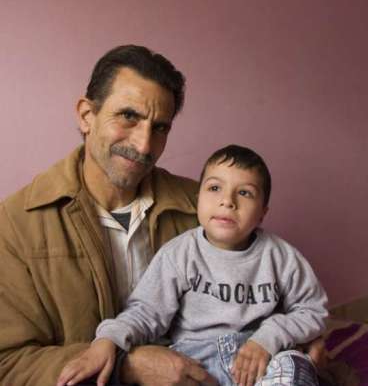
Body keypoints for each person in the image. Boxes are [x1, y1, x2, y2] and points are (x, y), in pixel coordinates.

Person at [0, 45, 327, 386]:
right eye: (129, 116)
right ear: (86, 115)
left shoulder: (202, 205)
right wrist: (128, 369)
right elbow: (7, 363)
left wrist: (300, 339)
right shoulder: (15, 224)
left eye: (160, 128)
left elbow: (262, 296)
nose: (143, 145)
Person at [57, 145, 329, 386]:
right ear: (198, 199)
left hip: (257, 358)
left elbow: (313, 310)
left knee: (295, 364)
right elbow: (146, 311)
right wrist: (109, 339)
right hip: (194, 364)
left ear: (262, 212)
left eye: (244, 193)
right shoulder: (180, 254)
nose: (227, 201)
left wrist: (270, 337)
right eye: (214, 188)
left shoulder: (281, 257)